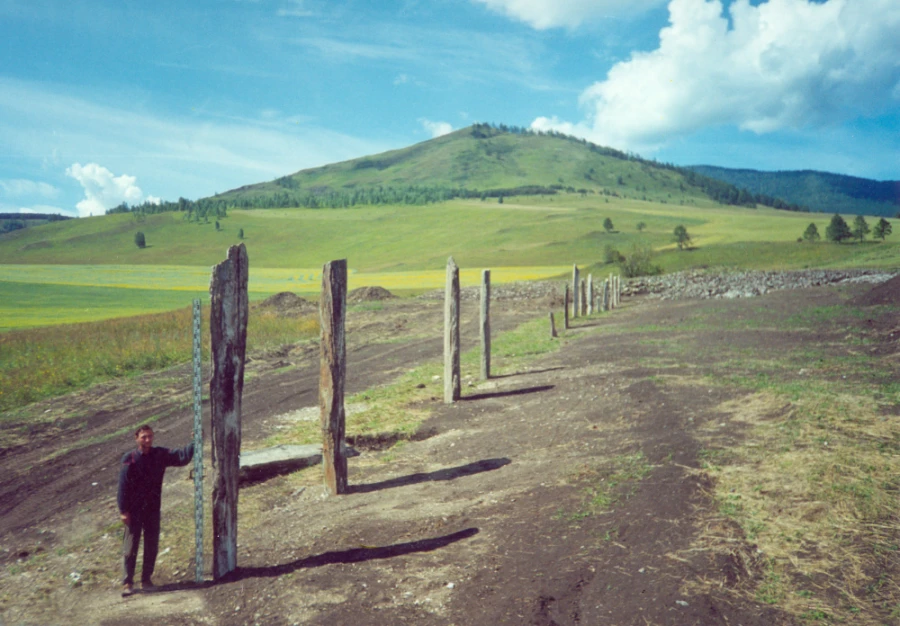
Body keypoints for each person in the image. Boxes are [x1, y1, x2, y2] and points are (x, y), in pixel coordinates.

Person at [117, 425, 194, 596]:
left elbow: (182, 457)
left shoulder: (159, 454)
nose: (147, 440)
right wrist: (123, 510)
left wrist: (194, 442)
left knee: (151, 546)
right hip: (134, 511)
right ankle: (128, 583)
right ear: (136, 438)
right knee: (130, 547)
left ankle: (146, 580)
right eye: (144, 437)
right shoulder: (129, 458)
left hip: (152, 510)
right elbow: (122, 487)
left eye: (150, 436)